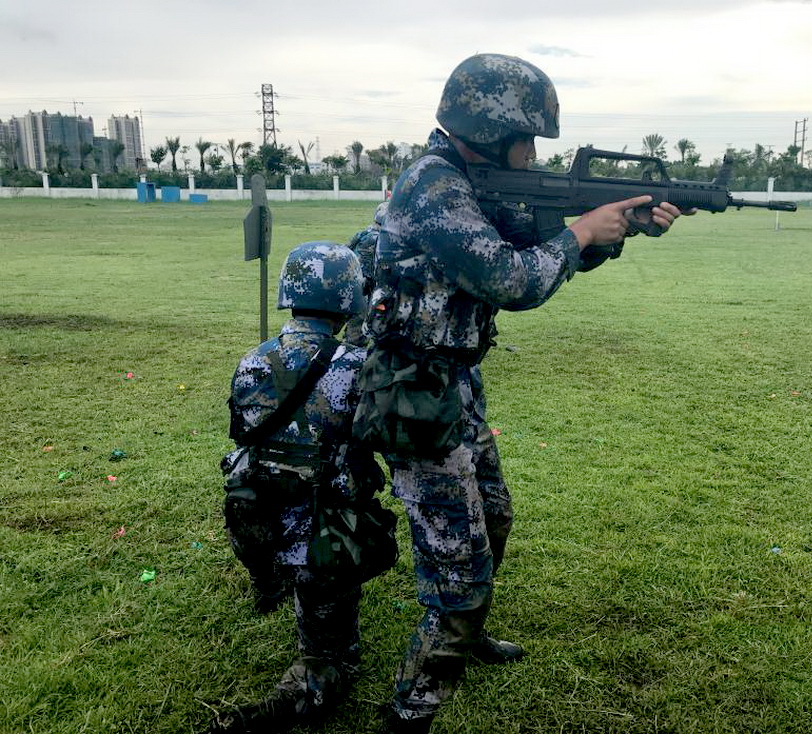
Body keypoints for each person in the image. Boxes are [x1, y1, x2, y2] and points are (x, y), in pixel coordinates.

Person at [362, 53, 690, 733]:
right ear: (486, 126)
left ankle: (469, 635)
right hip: (413, 391)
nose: (535, 151)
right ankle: (410, 710)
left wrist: (614, 230)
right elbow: (514, 281)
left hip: (453, 383)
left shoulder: (471, 182)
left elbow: (532, 240)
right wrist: (579, 235)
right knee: (459, 562)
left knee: (496, 516)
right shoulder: (435, 187)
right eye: (528, 135)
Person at [213, 241, 385, 734]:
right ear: (349, 295)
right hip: (324, 533)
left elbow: (245, 431)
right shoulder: (356, 365)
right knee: (335, 656)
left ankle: (269, 583)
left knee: (295, 585)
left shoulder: (253, 359)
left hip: (260, 516)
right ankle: (282, 706)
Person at [343, 201, 388, 347]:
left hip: (353, 283)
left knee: (356, 321)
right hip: (370, 286)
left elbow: (344, 251)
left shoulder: (362, 233)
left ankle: (349, 348)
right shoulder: (384, 239)